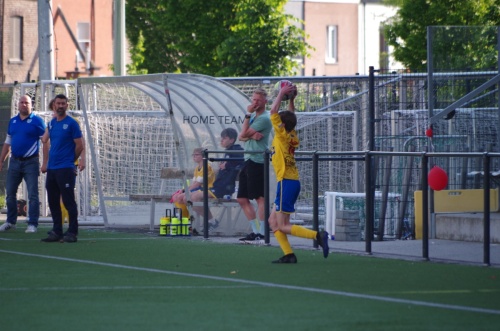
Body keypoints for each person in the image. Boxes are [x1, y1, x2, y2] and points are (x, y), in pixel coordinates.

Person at [267, 83, 329, 263]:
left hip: (286, 182)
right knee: (273, 222)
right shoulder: (290, 133)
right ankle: (289, 255)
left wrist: (281, 94)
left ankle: (318, 235)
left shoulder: (281, 134)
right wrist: (291, 100)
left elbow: (273, 111)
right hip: (289, 182)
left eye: (280, 120)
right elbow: (289, 116)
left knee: (282, 225)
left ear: (282, 124)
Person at [41, 94, 85, 243]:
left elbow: (80, 145)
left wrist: (71, 160)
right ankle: (57, 231)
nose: (60, 106)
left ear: (67, 105)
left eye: (63, 104)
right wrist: (46, 163)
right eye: (58, 103)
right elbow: (45, 141)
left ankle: (72, 232)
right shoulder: (52, 123)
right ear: (54, 105)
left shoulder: (72, 123)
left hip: (65, 168)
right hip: (52, 168)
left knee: (68, 201)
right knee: (53, 201)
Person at [0, 95, 46, 233]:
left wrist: (45, 162)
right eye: (22, 102)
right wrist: (1, 160)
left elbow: (45, 142)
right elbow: (8, 142)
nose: (24, 105)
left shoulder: (37, 121)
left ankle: (32, 224)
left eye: (26, 103)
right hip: (14, 161)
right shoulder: (13, 121)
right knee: (10, 193)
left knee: (32, 194)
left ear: (31, 105)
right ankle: (10, 221)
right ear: (18, 105)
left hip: (31, 162)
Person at [237, 88, 273, 243]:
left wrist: (247, 130)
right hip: (248, 160)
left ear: (265, 102)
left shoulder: (264, 118)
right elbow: (240, 136)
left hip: (257, 161)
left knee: (260, 198)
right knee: (242, 198)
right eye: (253, 100)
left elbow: (244, 134)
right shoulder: (252, 117)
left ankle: (263, 232)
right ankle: (255, 230)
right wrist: (249, 133)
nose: (255, 103)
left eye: (258, 100)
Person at [200, 128, 244, 230]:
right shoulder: (228, 151)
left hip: (223, 188)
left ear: (232, 140)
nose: (221, 140)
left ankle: (212, 222)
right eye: (221, 138)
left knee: (193, 197)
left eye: (224, 138)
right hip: (218, 185)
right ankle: (211, 221)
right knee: (189, 197)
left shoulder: (236, 149)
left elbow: (242, 163)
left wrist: (227, 165)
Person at [171, 147, 216, 232]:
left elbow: (198, 184)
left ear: (203, 156)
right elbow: (194, 183)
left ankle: (208, 221)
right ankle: (184, 221)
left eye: (197, 155)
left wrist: (185, 191)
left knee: (186, 198)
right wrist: (184, 190)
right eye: (193, 155)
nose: (194, 157)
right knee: (177, 197)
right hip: (199, 189)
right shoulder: (197, 168)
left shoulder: (206, 166)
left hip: (208, 189)